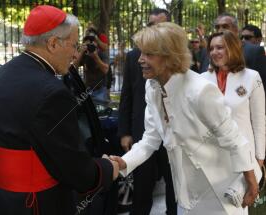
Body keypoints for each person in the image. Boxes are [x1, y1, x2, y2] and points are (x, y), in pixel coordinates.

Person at [0, 5, 118, 215]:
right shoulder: (53, 94)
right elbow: (74, 170)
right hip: (33, 204)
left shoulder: (8, 69)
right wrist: (107, 168)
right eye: (73, 45)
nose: (75, 53)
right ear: (53, 43)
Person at [111, 22, 260, 215]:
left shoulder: (200, 90)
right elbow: (150, 140)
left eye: (148, 54)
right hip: (186, 194)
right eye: (141, 53)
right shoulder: (152, 87)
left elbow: (235, 140)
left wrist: (252, 183)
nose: (140, 60)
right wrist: (124, 163)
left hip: (222, 194)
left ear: (170, 56)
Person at [118, 8, 176, 215]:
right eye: (152, 25)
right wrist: (125, 131)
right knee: (141, 189)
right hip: (143, 133)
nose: (155, 30)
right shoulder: (135, 56)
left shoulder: (178, 59)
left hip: (172, 138)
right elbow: (127, 95)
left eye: (160, 25)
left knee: (174, 188)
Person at [201, 31, 265, 214]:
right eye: (211, 48)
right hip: (209, 158)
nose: (214, 52)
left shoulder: (252, 77)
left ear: (233, 48)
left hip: (242, 161)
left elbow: (259, 121)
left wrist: (258, 161)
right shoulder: (202, 79)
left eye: (220, 47)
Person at [199, 13, 266, 89]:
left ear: (236, 30)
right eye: (217, 27)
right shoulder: (205, 52)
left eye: (225, 26)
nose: (220, 30)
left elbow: (261, 86)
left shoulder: (253, 51)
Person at [74, 25, 109, 102]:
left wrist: (95, 57)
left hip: (100, 89)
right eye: (88, 41)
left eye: (92, 40)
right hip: (87, 90)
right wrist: (81, 52)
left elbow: (106, 70)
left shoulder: (101, 53)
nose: (90, 43)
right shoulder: (84, 53)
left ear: (97, 42)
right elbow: (73, 67)